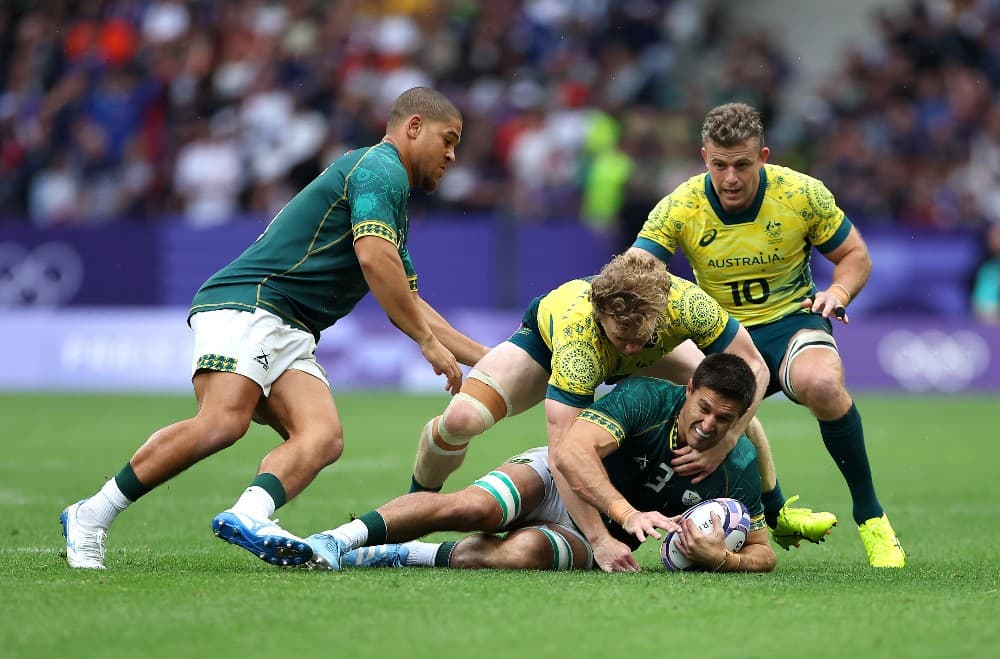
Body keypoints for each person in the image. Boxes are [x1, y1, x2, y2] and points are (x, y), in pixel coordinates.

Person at [59, 87, 489, 570]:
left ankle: (250, 514)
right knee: (223, 421)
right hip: (253, 303)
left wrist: (495, 363)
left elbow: (409, 299)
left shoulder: (387, 194)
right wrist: (428, 345)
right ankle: (91, 515)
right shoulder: (380, 168)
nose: (452, 155)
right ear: (413, 127)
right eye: (447, 139)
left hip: (291, 327)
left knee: (323, 436)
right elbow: (374, 260)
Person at [404, 251, 827, 571]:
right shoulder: (580, 337)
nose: (627, 346)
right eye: (620, 336)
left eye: (637, 336)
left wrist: (727, 441)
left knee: (718, 398)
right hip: (551, 347)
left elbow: (752, 367)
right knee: (461, 420)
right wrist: (598, 537)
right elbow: (565, 451)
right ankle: (416, 502)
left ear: (657, 315)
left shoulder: (687, 304)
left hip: (649, 352)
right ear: (602, 316)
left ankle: (776, 510)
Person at [628, 102, 905, 567]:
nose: (730, 178)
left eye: (742, 164)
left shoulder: (801, 194)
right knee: (699, 426)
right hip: (718, 335)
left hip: (790, 322)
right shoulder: (680, 206)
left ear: (764, 157)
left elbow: (855, 255)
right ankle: (774, 517)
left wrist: (838, 291)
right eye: (719, 165)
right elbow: (637, 271)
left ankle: (872, 519)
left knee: (822, 383)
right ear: (704, 158)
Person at [297, 353, 776, 573]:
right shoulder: (648, 397)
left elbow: (763, 552)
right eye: (704, 408)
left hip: (605, 540)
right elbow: (573, 451)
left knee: (523, 553)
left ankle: (399, 553)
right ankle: (334, 540)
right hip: (558, 480)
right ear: (689, 390)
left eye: (725, 419)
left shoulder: (739, 465)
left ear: (739, 419)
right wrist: (627, 514)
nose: (710, 425)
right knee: (473, 509)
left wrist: (725, 559)